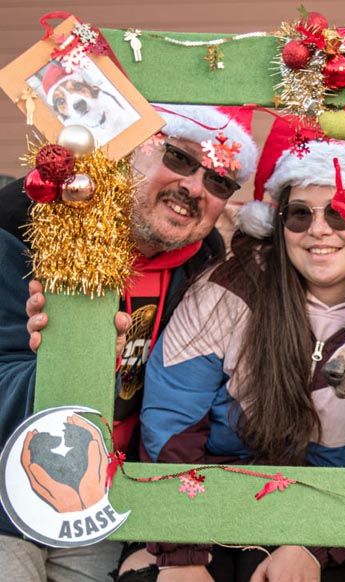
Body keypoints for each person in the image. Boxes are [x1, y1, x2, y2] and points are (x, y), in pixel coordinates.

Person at [117, 118, 345, 582]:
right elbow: (172, 422)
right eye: (300, 214)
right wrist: (183, 554)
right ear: (278, 223)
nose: (319, 230)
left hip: (322, 513)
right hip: (199, 503)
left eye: (342, 212)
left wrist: (313, 547)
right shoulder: (228, 289)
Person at [0, 104, 259, 582]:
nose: (195, 187)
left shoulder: (205, 275)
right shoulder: (19, 236)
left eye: (219, 181)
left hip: (107, 504)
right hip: (7, 495)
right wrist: (63, 362)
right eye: (179, 158)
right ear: (129, 152)